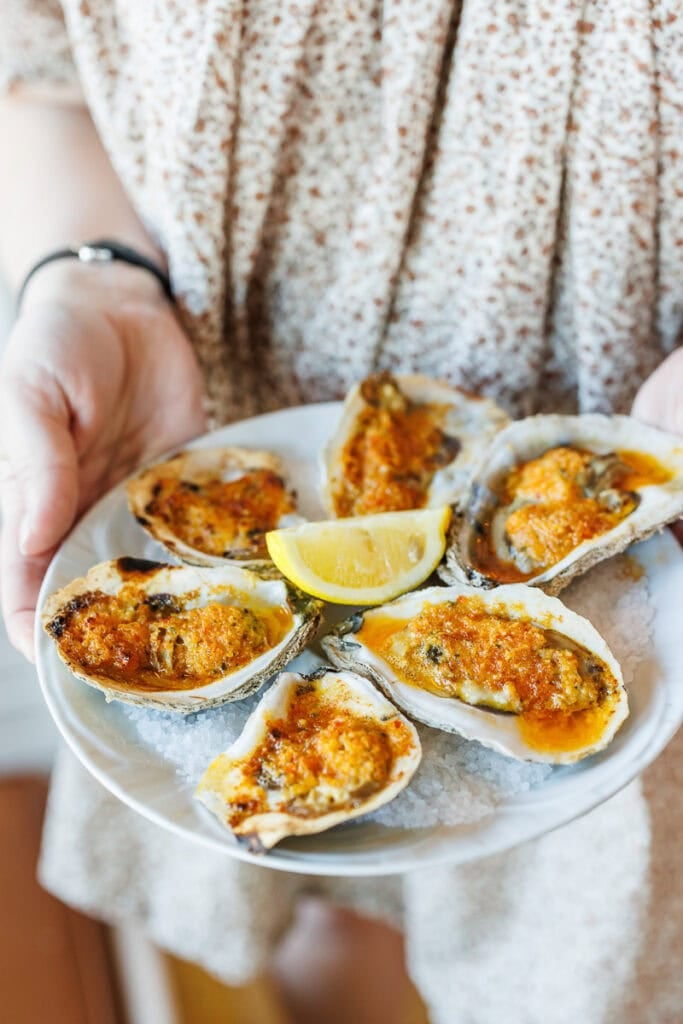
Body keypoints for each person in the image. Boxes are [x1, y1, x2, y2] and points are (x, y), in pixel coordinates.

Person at [1, 3, 683, 1022]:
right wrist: (95, 275)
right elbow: (43, 70)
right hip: (195, 401)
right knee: (316, 897)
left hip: (636, 525)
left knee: (549, 935)